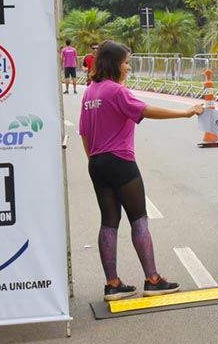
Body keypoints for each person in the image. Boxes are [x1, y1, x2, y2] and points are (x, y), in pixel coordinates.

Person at [78, 39, 204, 301]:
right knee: (139, 220)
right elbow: (146, 111)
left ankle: (112, 284)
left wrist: (94, 160)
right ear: (114, 64)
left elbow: (84, 133)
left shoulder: (90, 92)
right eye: (126, 63)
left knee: (109, 222)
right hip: (120, 161)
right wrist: (185, 113)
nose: (128, 68)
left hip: (97, 162)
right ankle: (153, 279)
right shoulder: (116, 90)